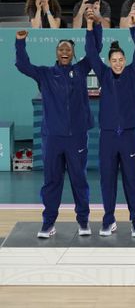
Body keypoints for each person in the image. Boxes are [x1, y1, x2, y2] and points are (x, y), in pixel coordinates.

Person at [16, 29, 94, 238]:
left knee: (79, 179)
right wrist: (20, 42)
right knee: (52, 181)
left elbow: (96, 49)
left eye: (68, 48)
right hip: (52, 138)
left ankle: (83, 222)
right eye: (61, 49)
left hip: (76, 137)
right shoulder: (45, 74)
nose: (65, 51)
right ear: (56, 53)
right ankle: (48, 223)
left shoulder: (81, 69)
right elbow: (23, 65)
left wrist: (91, 27)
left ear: (73, 53)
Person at [84, 8, 135, 237]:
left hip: (129, 136)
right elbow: (91, 53)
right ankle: (109, 219)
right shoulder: (103, 74)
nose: (118, 63)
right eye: (114, 60)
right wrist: (90, 27)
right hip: (108, 137)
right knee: (107, 180)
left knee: (133, 180)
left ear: (125, 61)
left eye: (121, 60)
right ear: (109, 62)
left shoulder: (132, 73)